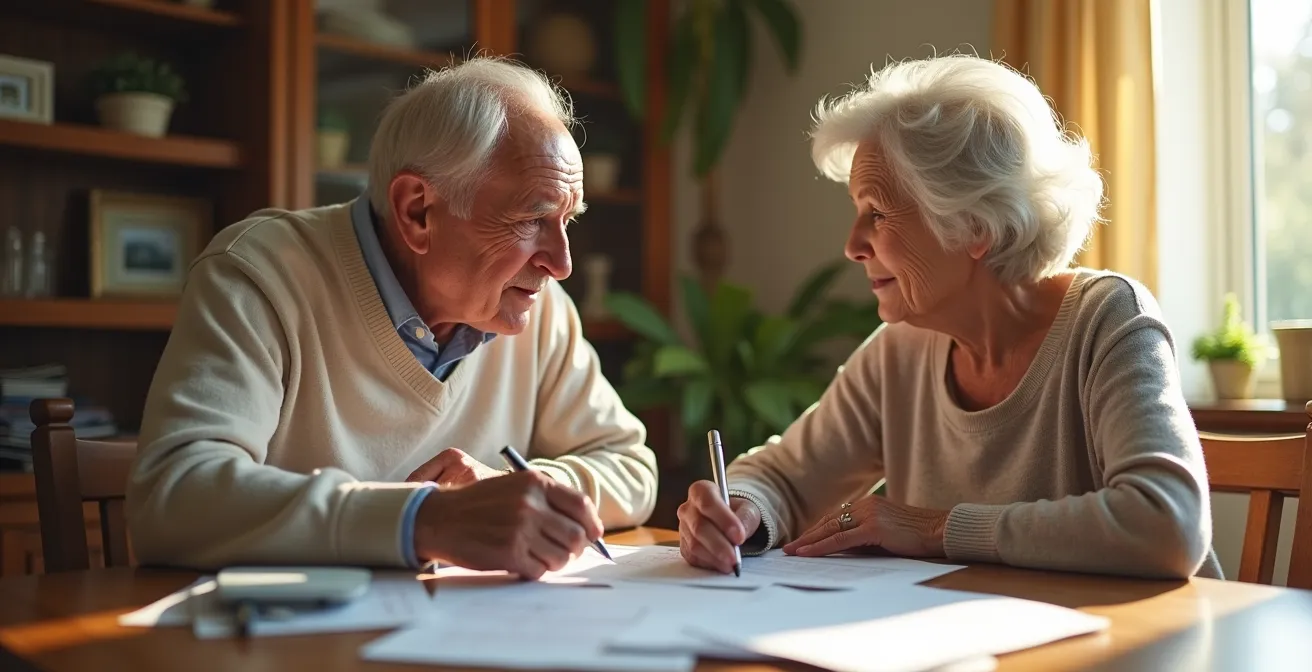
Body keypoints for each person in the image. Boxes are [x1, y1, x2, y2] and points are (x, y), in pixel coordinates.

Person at [678, 54, 1222, 580]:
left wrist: (933, 528)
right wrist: (739, 510)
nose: (851, 246)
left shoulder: (1106, 319)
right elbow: (785, 477)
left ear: (976, 225)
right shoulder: (903, 347)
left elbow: (1166, 523)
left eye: (878, 213)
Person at [125, 57, 658, 578]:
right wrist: (425, 519)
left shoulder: (536, 311)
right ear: (417, 211)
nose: (561, 264)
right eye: (531, 219)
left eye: (568, 220)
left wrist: (514, 490)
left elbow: (631, 467)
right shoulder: (261, 272)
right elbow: (175, 495)